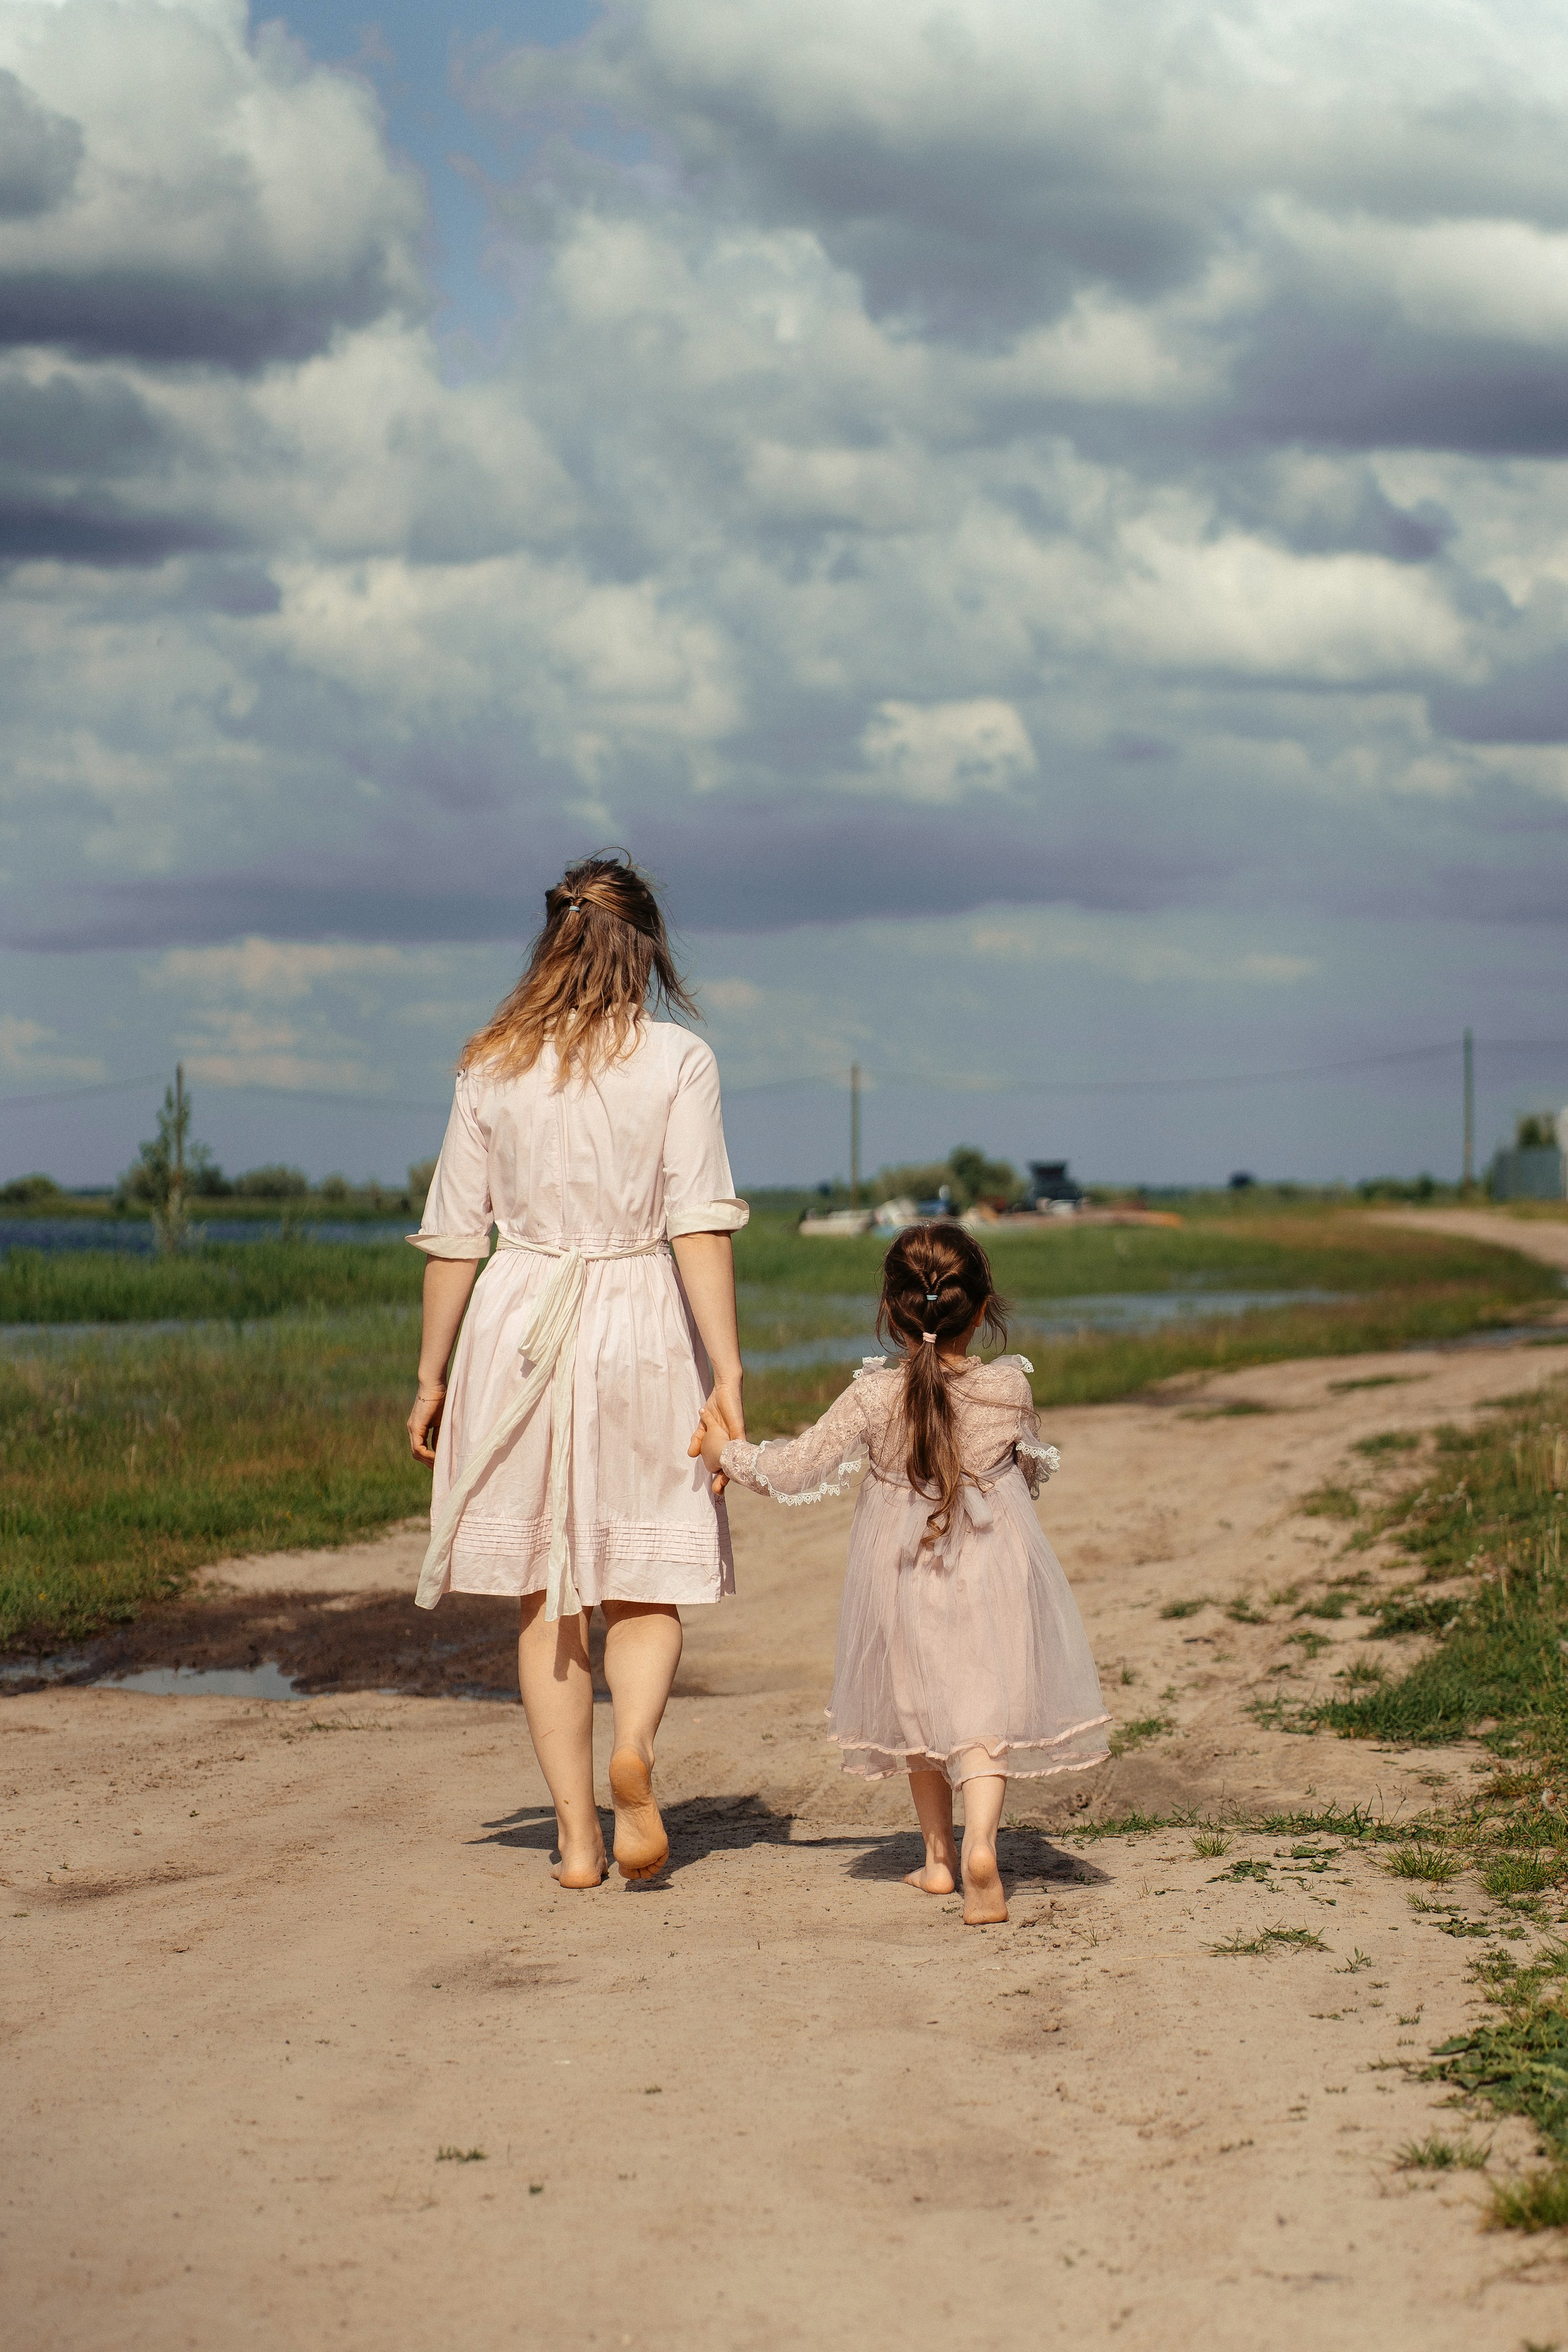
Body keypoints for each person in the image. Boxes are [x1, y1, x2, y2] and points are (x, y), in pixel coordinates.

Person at [406, 853, 748, 1890]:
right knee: (645, 1580)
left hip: (520, 1327)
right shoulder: (677, 1060)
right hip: (640, 1318)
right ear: (646, 949)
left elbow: (457, 1239)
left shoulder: (490, 1065)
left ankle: (576, 1838)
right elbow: (698, 1226)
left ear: (550, 939)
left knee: (546, 1595)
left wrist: (431, 1377)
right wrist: (727, 1374)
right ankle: (631, 1748)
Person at [692, 1223, 1108, 1924]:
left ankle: (940, 1860)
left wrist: (724, 1453)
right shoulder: (1007, 1388)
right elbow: (1030, 1465)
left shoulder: (870, 1397)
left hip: (903, 1576)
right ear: (981, 1310)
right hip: (994, 1568)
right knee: (983, 1713)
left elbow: (795, 1468)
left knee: (920, 1706)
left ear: (890, 1312)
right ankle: (982, 1846)